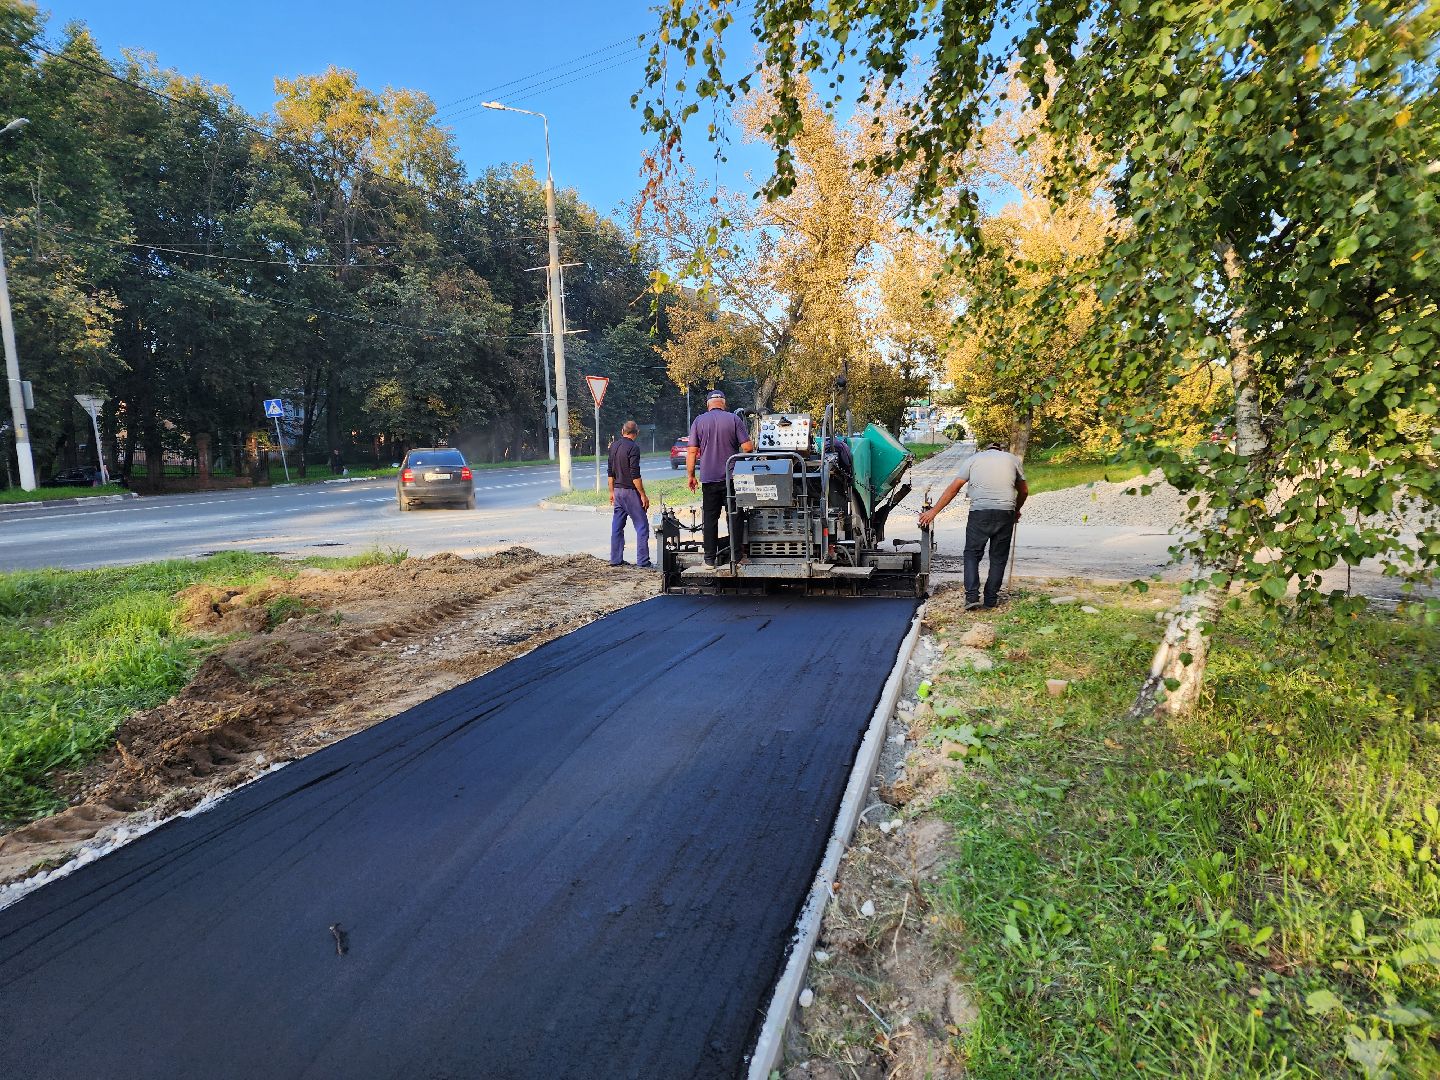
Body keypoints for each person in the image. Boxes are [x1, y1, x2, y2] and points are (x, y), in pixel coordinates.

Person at [918, 441, 1029, 610]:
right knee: (998, 557)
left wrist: (933, 512)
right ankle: (991, 599)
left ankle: (971, 598)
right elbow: (1024, 491)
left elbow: (954, 488)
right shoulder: (1012, 459)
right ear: (1001, 450)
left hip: (979, 513)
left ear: (986, 450)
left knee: (972, 554)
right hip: (1005, 512)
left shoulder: (973, 459)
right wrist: (1016, 511)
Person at [686, 389, 754, 566]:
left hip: (709, 479)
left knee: (710, 519)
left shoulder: (698, 421)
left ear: (708, 404)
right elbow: (748, 447)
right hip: (731, 478)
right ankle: (737, 557)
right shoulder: (734, 419)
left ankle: (709, 560)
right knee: (734, 516)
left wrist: (691, 476)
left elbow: (692, 451)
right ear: (724, 403)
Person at [608, 419, 652, 568]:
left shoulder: (613, 446)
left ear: (622, 431)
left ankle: (615, 559)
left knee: (617, 527)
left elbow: (610, 472)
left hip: (617, 492)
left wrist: (611, 492)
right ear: (636, 433)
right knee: (642, 526)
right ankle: (643, 562)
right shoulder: (633, 448)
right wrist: (643, 494)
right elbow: (635, 475)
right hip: (630, 492)